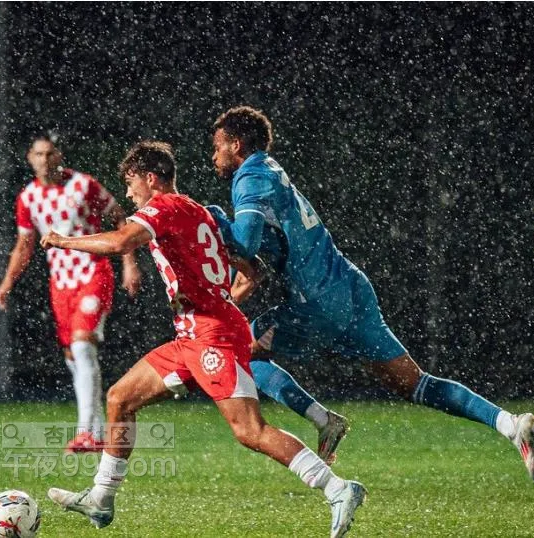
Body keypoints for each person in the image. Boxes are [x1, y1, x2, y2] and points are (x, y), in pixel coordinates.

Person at [209, 105, 534, 485]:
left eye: (217, 147)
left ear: (236, 144)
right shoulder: (271, 170)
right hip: (351, 287)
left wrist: (213, 219)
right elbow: (261, 248)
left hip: (318, 302)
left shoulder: (250, 177)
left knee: (236, 349)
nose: (214, 156)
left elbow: (244, 241)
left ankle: (323, 420)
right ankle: (510, 424)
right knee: (414, 383)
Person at [44, 140, 366, 538]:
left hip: (210, 335)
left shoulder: (164, 206)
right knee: (119, 399)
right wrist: (217, 295)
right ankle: (101, 498)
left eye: (130, 183)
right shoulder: (198, 210)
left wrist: (63, 241)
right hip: (193, 334)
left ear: (151, 178)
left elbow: (121, 241)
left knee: (249, 430)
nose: (128, 193)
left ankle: (338, 489)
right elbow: (252, 270)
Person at [0, 135, 142, 452]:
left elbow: (120, 217)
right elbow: (24, 245)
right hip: (61, 284)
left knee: (82, 344)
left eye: (50, 153)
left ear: (59, 155)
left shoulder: (83, 185)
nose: (44, 160)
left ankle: (87, 432)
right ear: (29, 158)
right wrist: (7, 282)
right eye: (38, 154)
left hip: (93, 272)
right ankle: (96, 431)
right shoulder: (28, 197)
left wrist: (129, 263)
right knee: (74, 356)